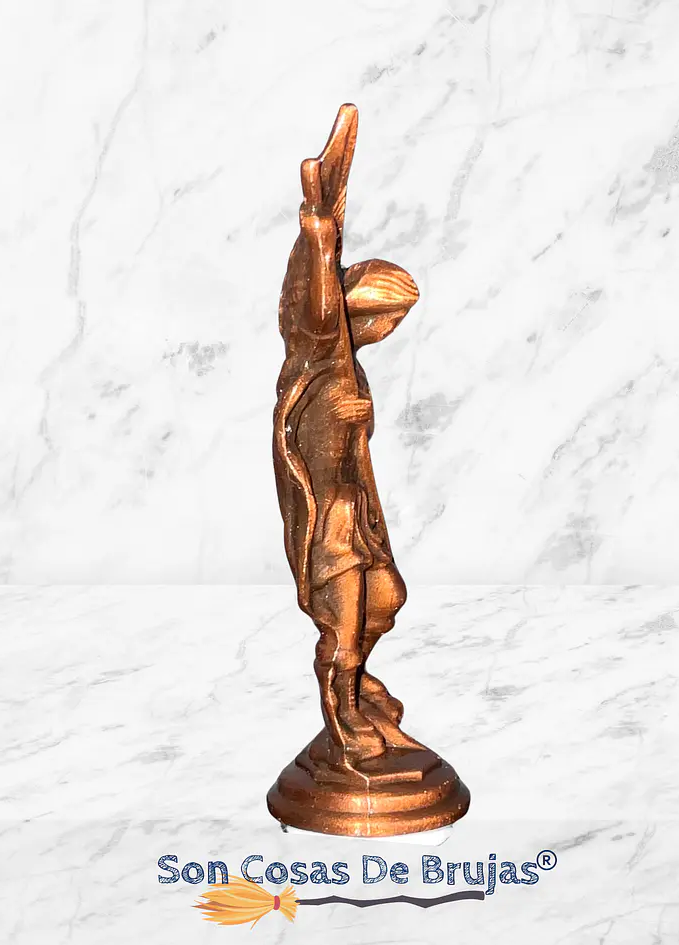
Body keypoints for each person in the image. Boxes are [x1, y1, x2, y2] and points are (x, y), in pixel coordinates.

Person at [274, 107, 420, 768]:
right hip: (327, 526)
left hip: (356, 512)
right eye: (391, 316)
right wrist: (319, 231)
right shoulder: (319, 356)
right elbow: (317, 304)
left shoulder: (347, 367)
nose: (390, 328)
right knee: (344, 624)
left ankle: (355, 680)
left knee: (385, 601)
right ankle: (343, 708)